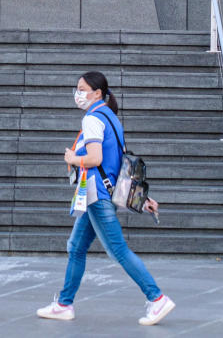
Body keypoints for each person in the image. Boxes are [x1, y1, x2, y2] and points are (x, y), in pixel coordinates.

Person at [36, 71, 175, 327]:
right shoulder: (111, 117)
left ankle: (157, 298)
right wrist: (143, 198)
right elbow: (120, 165)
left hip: (97, 195)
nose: (77, 93)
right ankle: (64, 304)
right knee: (76, 247)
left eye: (81, 89)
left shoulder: (92, 119)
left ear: (97, 93)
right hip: (99, 195)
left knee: (117, 249)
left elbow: (95, 159)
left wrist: (71, 159)